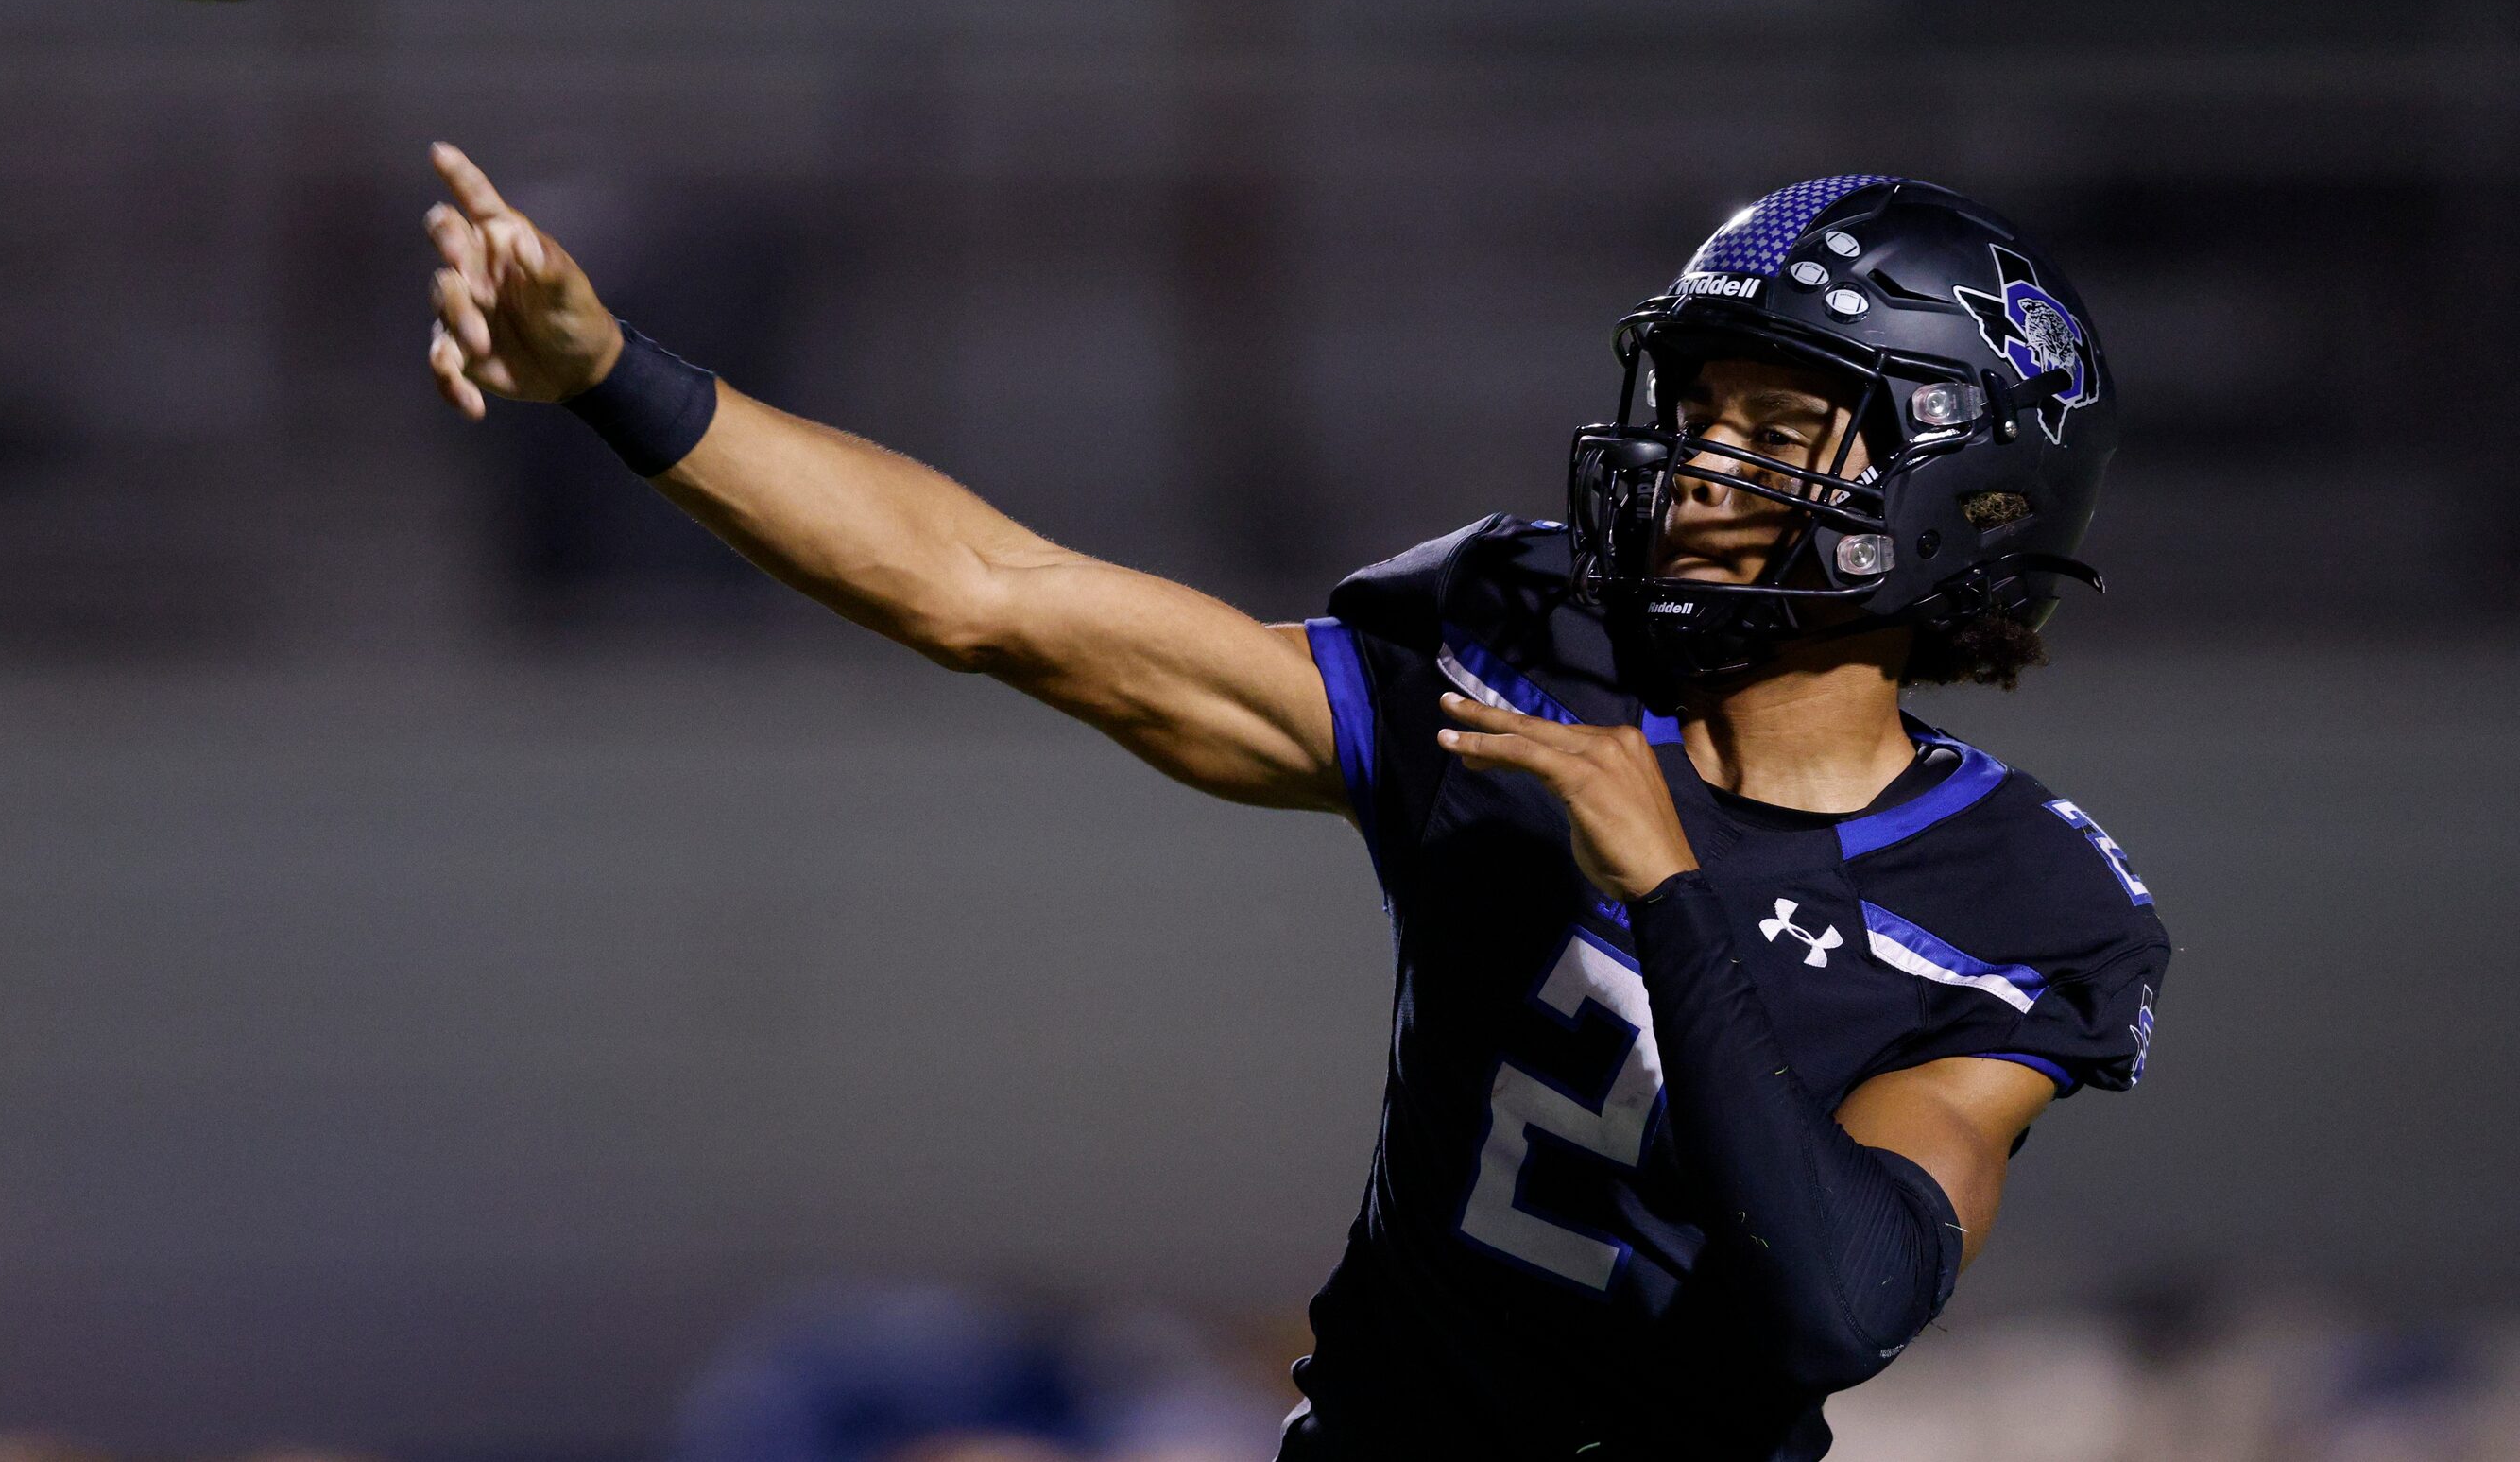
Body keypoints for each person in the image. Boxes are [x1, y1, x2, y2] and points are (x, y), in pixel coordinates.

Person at [422, 156, 2170, 1461]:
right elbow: (991, 591)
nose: (1697, 462)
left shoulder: (2020, 898)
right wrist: (610, 376)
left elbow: (1847, 1299)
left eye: (1777, 427)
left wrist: (1671, 889)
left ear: (1959, 491)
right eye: (1698, 408)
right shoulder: (1525, 655)